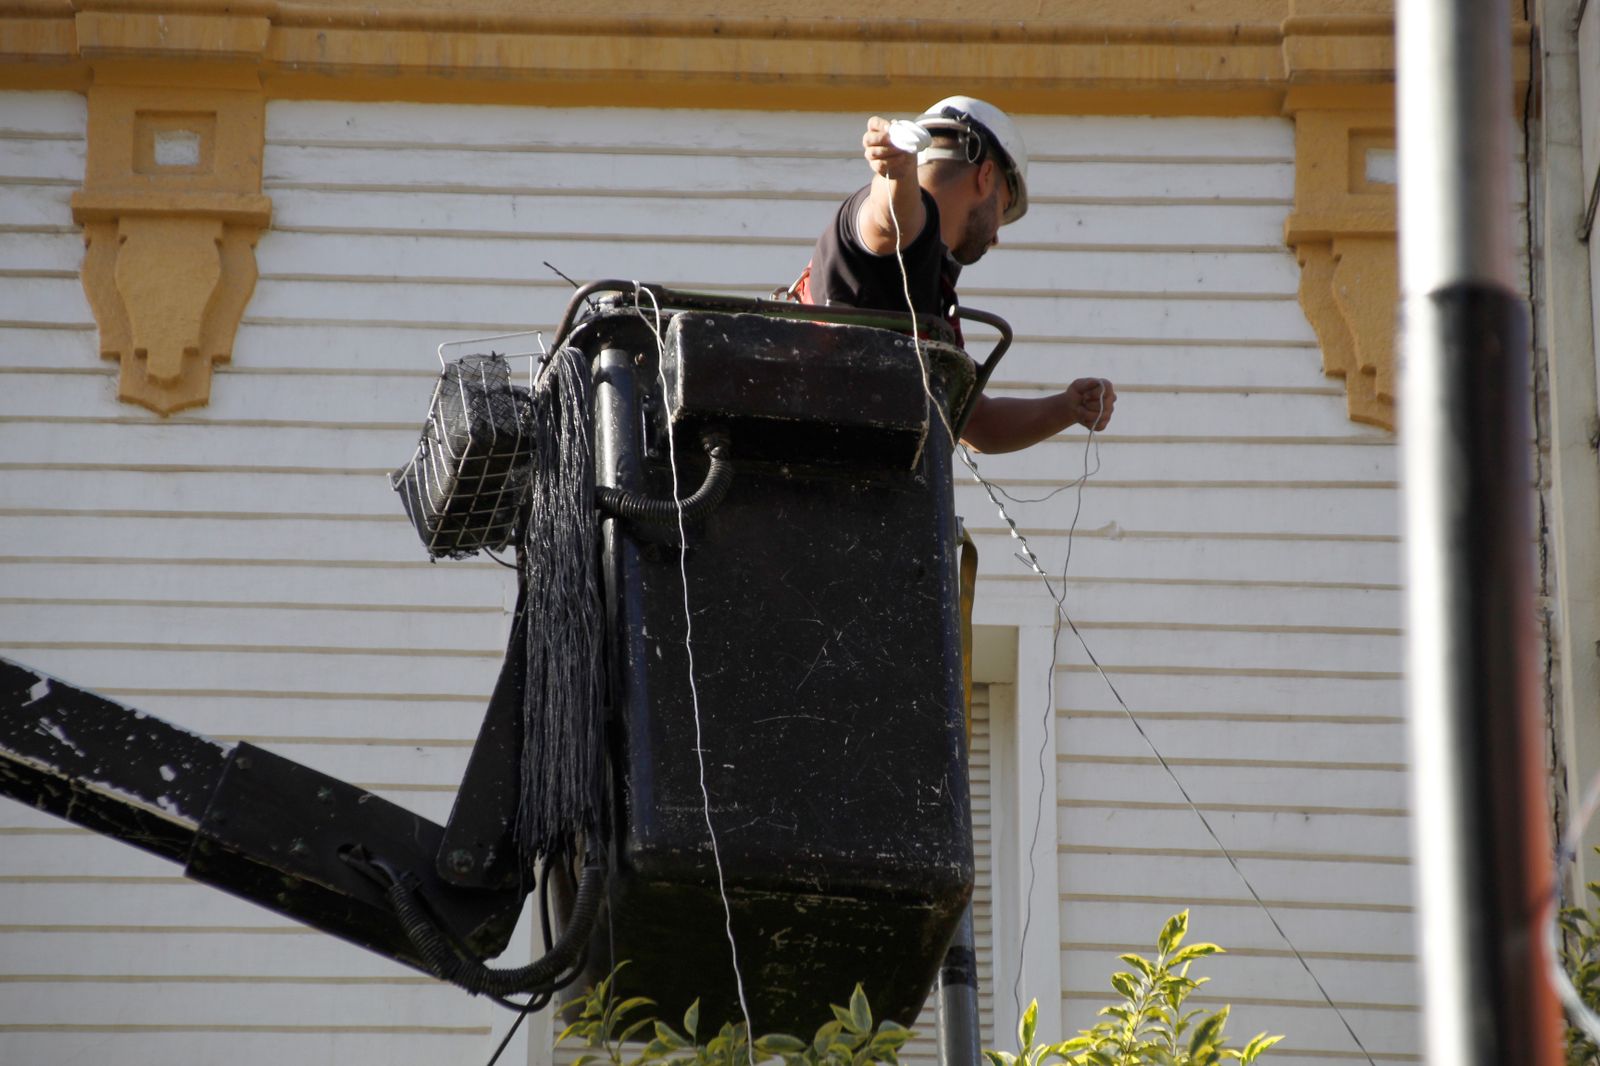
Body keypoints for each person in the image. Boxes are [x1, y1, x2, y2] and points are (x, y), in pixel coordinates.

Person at [794, 96, 1116, 453]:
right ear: (986, 176)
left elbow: (977, 423)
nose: (996, 236)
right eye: (1003, 207)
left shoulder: (932, 280)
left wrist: (1066, 407)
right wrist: (895, 173)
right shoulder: (896, 227)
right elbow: (887, 220)